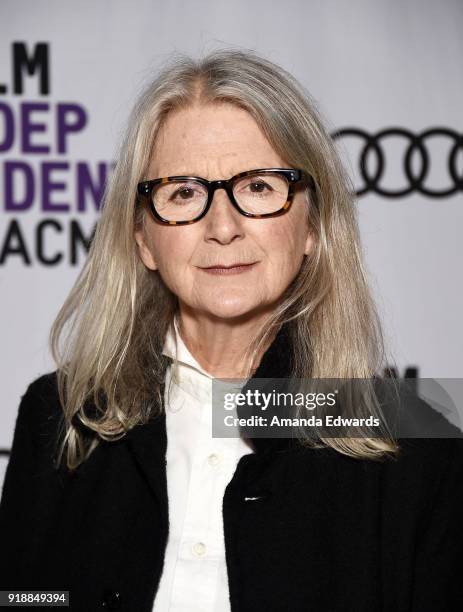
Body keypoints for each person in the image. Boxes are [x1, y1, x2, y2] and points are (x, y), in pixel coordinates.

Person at [0, 48, 462, 612]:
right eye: (184, 192)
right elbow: (26, 598)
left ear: (312, 225)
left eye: (260, 187)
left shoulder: (409, 436)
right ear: (143, 238)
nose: (223, 227)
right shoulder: (60, 413)